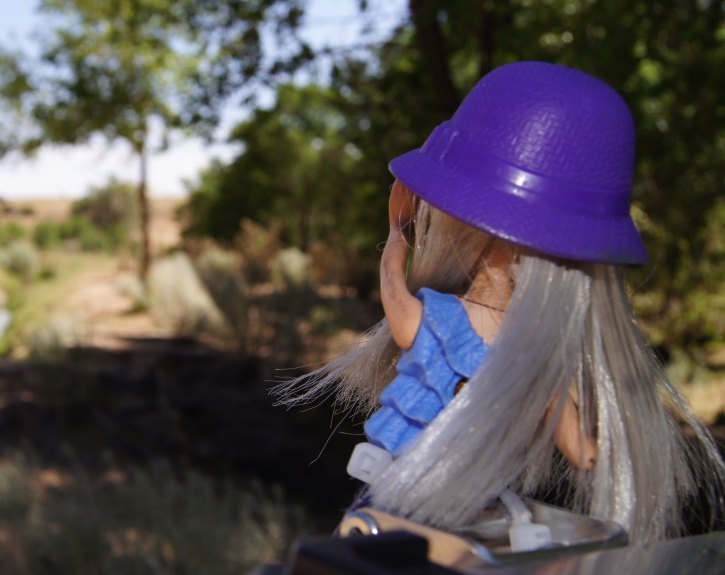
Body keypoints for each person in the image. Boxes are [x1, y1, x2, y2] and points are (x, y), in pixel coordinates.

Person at [275, 61, 725, 545]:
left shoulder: (470, 335)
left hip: (438, 502)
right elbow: (583, 451)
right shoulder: (519, 351)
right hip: (419, 496)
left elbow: (392, 290)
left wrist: (398, 230)